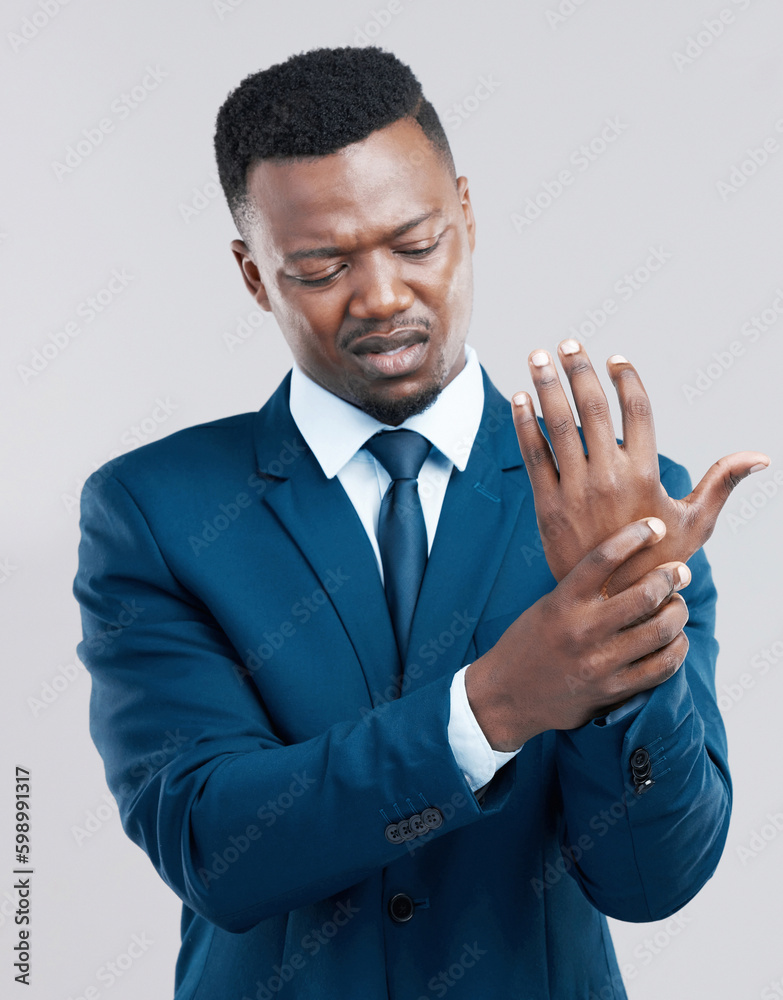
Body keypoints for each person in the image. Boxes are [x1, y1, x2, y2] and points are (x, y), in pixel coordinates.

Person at [73, 46, 769, 1000]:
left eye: (415, 244)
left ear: (467, 216)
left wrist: (626, 669)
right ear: (252, 274)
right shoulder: (154, 511)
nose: (383, 297)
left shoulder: (621, 498)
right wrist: (494, 706)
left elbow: (653, 881)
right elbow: (213, 844)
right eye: (321, 265)